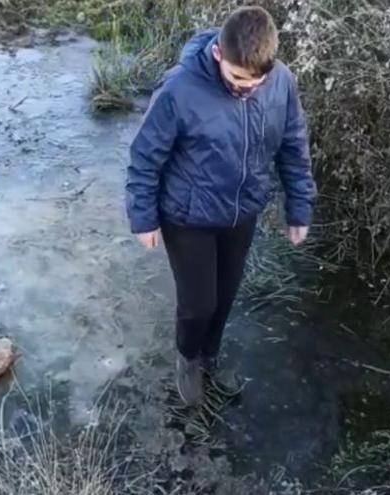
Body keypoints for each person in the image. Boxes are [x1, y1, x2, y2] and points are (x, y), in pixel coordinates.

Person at [125, 6, 317, 406]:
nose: (246, 89)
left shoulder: (281, 82)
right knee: (199, 304)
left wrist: (299, 205)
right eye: (237, 79)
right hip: (187, 215)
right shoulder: (179, 90)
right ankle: (187, 360)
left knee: (226, 295)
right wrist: (143, 218)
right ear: (218, 55)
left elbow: (294, 145)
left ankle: (210, 358)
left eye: (255, 82)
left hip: (241, 211)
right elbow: (146, 156)